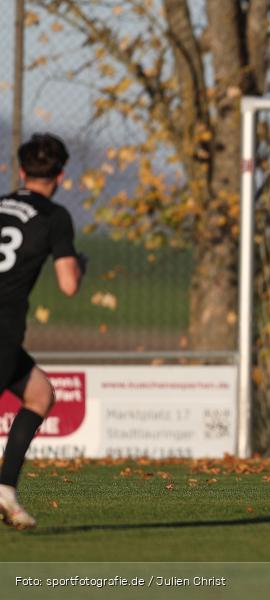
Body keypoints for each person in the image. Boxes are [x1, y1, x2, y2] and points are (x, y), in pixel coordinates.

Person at [0, 133, 85, 529]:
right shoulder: (54, 217)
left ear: (19, 171)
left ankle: (4, 490)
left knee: (40, 393)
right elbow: (68, 284)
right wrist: (78, 263)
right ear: (61, 176)